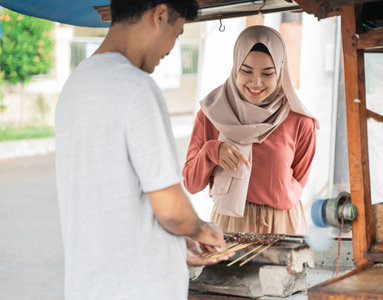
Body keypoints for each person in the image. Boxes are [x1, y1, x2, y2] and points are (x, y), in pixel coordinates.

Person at [55, 1, 231, 299]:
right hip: (138, 288)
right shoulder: (137, 88)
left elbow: (113, 197)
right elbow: (171, 210)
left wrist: (177, 241)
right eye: (176, 33)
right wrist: (201, 230)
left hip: (90, 286)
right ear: (159, 15)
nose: (171, 48)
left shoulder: (76, 84)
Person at [182, 25, 318, 235]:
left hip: (283, 226)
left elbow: (299, 182)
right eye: (246, 71)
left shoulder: (300, 122)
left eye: (268, 73)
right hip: (230, 223)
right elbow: (191, 184)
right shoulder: (212, 114)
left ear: (280, 73)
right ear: (235, 65)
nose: (256, 82)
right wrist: (211, 151)